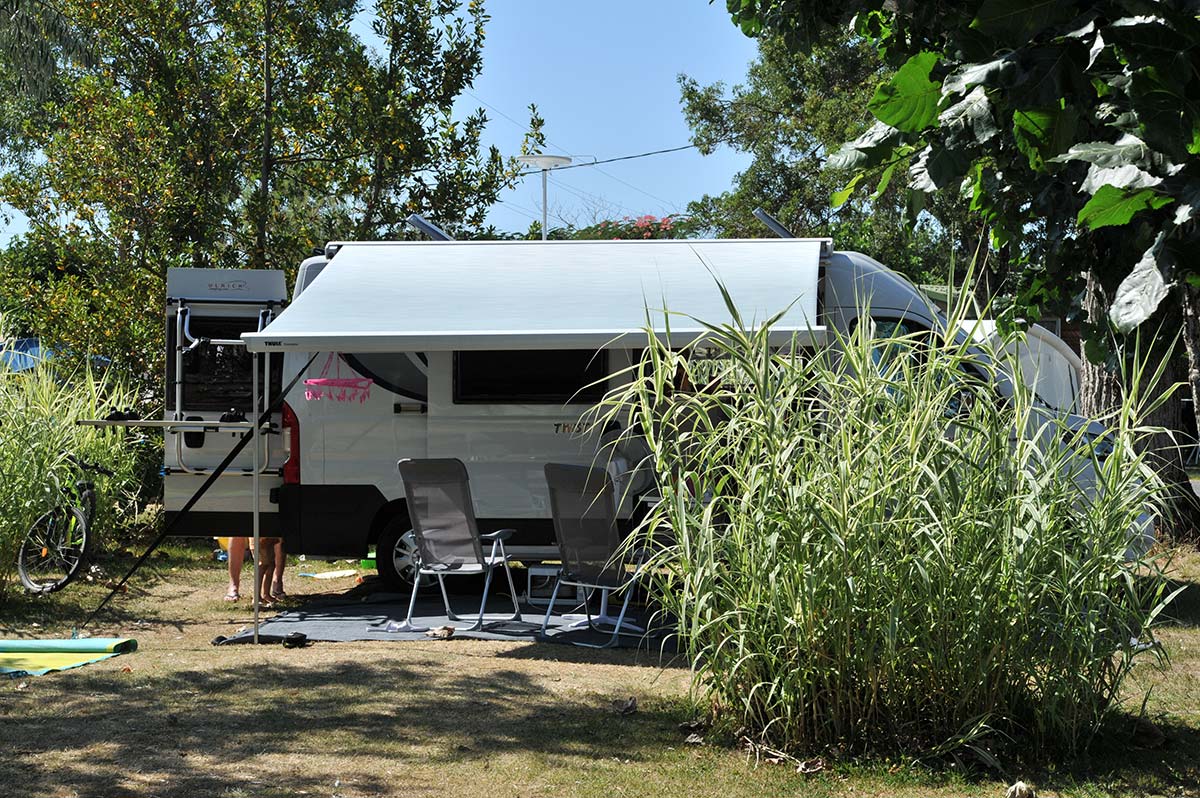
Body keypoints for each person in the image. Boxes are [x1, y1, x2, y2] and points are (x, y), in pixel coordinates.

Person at [223, 536, 286, 602]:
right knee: (262, 566)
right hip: (260, 540)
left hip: (271, 540)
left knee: (271, 566)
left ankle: (266, 594)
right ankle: (256, 596)